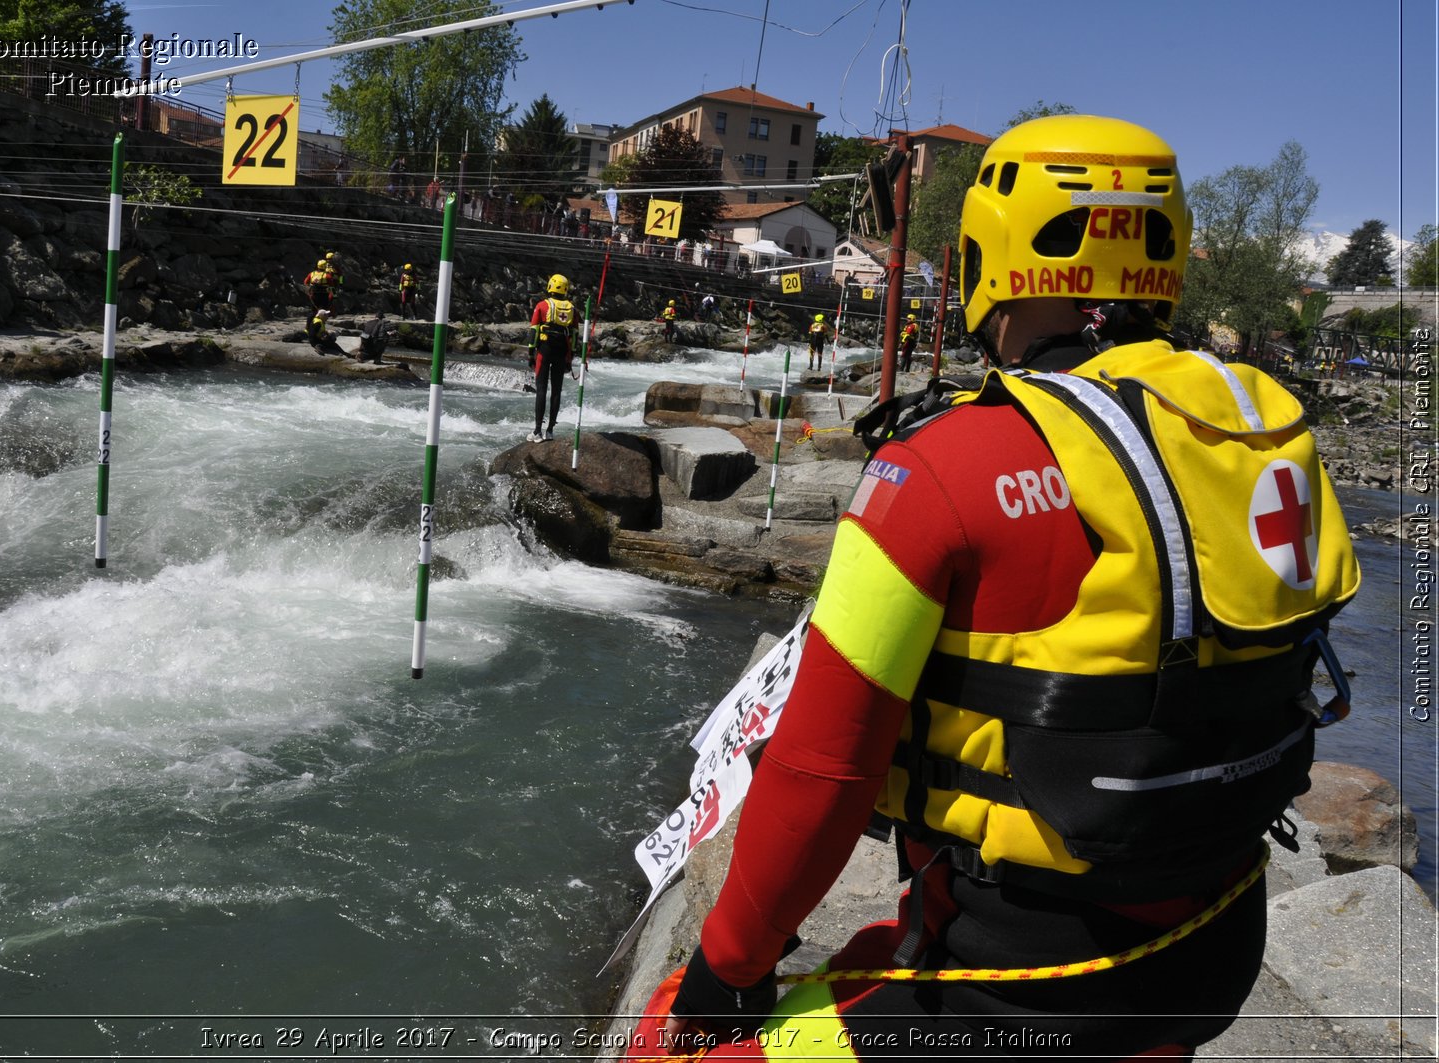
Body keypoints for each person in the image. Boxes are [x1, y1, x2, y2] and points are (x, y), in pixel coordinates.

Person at [626, 115, 1361, 1061]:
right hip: (1214, 948)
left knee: (668, 1047)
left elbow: (821, 771)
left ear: (995, 259)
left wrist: (727, 974)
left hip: (1024, 985)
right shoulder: (1262, 433)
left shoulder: (944, 467)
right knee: (866, 955)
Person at [526, 273, 580, 443]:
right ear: (565, 289)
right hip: (562, 352)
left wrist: (530, 353)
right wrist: (571, 357)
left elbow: (534, 331)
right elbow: (575, 335)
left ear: (550, 286)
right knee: (556, 391)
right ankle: (550, 431)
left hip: (545, 350)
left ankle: (537, 431)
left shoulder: (542, 306)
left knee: (541, 389)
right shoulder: (572, 309)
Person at [302, 258, 338, 331]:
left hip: (314, 296)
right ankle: (320, 329)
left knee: (313, 312)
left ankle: (307, 328)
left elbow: (305, 282)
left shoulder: (311, 274)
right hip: (323, 297)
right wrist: (334, 297)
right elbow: (332, 287)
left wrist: (311, 290)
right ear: (325, 267)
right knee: (323, 313)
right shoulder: (327, 276)